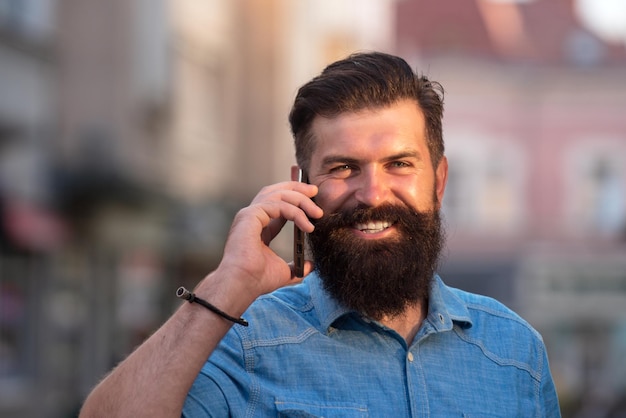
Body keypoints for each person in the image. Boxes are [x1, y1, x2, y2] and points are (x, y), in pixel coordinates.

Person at [79, 51, 561, 417]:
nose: (372, 193)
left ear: (438, 181)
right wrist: (230, 280)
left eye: (399, 164)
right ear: (301, 185)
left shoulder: (515, 353)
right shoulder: (243, 342)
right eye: (343, 167)